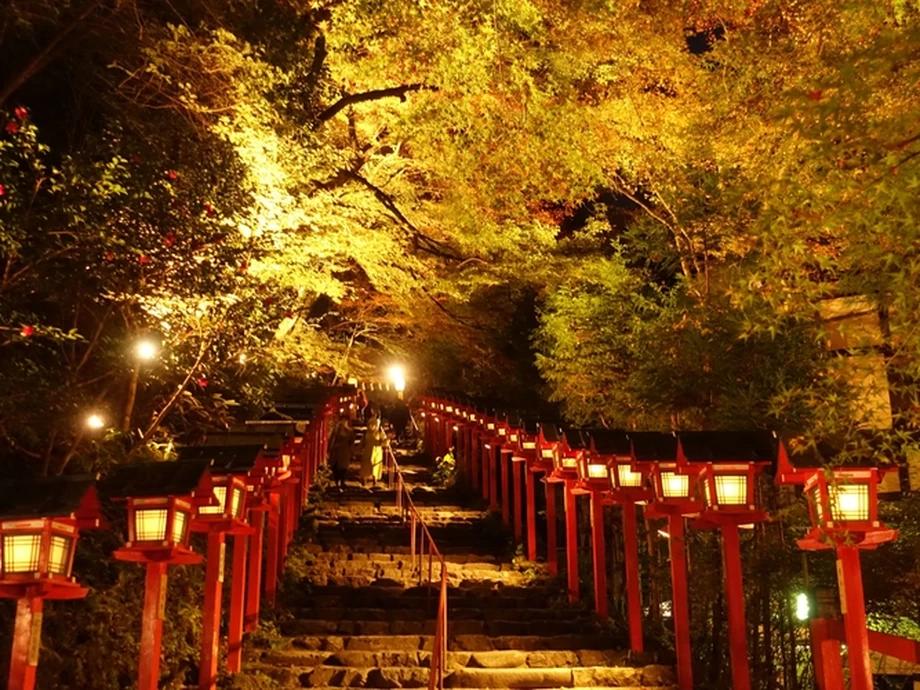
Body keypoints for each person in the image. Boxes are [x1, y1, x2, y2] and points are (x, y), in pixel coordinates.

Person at [360, 412, 389, 487]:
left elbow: (384, 440)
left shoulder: (379, 432)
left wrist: (387, 440)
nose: (371, 426)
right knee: (366, 466)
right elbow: (362, 442)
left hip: (377, 452)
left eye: (373, 424)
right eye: (370, 424)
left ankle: (374, 480)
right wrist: (357, 449)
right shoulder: (366, 433)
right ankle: (364, 479)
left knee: (375, 467)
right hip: (367, 451)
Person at [328, 413, 354, 490]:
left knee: (343, 468)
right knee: (335, 467)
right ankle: (337, 482)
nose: (343, 422)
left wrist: (351, 451)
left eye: (345, 421)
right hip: (336, 451)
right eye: (342, 420)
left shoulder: (350, 431)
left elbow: (351, 441)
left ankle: (342, 482)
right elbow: (332, 440)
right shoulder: (336, 430)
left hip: (345, 452)